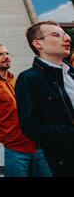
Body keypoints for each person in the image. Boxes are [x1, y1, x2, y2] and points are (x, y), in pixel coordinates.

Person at [0, 43, 51, 177]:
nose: (6, 57)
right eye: (0, 54)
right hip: (11, 151)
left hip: (37, 146)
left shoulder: (17, 80)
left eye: (7, 53)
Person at [16, 21, 74, 177]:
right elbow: (31, 127)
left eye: (65, 33)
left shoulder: (71, 74)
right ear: (37, 43)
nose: (67, 38)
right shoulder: (29, 79)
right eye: (57, 35)